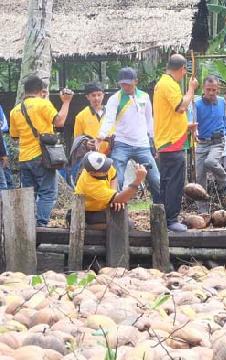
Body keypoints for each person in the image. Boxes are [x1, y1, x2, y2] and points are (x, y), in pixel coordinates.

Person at [9, 75, 73, 226]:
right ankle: (40, 225)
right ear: (41, 90)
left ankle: (27, 225)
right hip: (42, 157)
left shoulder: (15, 110)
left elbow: (14, 136)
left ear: (25, 90)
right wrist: (66, 103)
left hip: (24, 158)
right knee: (48, 193)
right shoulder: (43, 104)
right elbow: (59, 122)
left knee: (29, 194)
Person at [97, 67, 161, 204]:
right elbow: (109, 119)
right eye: (122, 84)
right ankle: (117, 209)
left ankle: (160, 209)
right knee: (117, 179)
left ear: (135, 81)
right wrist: (101, 136)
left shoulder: (144, 96)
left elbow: (150, 119)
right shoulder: (115, 99)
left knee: (155, 179)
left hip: (142, 144)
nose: (125, 86)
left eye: (128, 83)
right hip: (122, 143)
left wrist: (154, 140)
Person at [153, 55, 199, 232]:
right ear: (182, 70)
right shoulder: (169, 84)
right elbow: (181, 106)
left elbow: (170, 114)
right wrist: (191, 89)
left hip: (170, 140)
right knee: (174, 182)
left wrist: (185, 126)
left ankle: (165, 217)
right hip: (171, 142)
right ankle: (171, 219)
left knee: (168, 181)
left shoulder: (163, 83)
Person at [74, 151, 147, 229]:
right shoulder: (90, 185)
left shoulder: (104, 166)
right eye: (104, 170)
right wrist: (138, 180)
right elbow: (123, 199)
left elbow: (113, 176)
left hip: (102, 207)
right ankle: (86, 226)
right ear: (92, 173)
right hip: (88, 212)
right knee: (125, 226)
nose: (107, 170)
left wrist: (114, 194)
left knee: (126, 222)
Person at [194, 76, 226, 213]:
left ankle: (224, 180)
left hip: (217, 141)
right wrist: (193, 132)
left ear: (218, 89)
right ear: (203, 89)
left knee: (210, 162)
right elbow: (192, 122)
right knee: (200, 177)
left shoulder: (222, 102)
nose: (211, 93)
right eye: (208, 90)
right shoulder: (197, 104)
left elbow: (225, 120)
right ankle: (203, 211)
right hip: (202, 142)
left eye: (214, 90)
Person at [71, 82, 105, 182]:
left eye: (99, 95)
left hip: (111, 153)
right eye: (93, 95)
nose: (96, 98)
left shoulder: (112, 113)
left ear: (103, 95)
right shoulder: (81, 116)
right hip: (91, 157)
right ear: (87, 97)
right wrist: (86, 144)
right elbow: (77, 140)